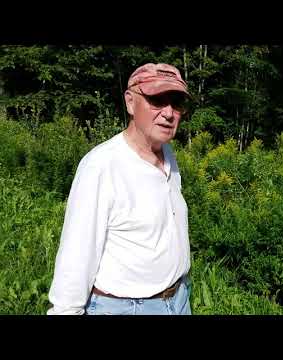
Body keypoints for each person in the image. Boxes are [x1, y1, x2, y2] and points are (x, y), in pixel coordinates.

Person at [47, 63, 192, 315]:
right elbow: (76, 255)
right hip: (126, 308)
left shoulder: (167, 155)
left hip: (179, 300)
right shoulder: (101, 166)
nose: (169, 113)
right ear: (130, 101)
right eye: (157, 100)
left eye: (177, 102)